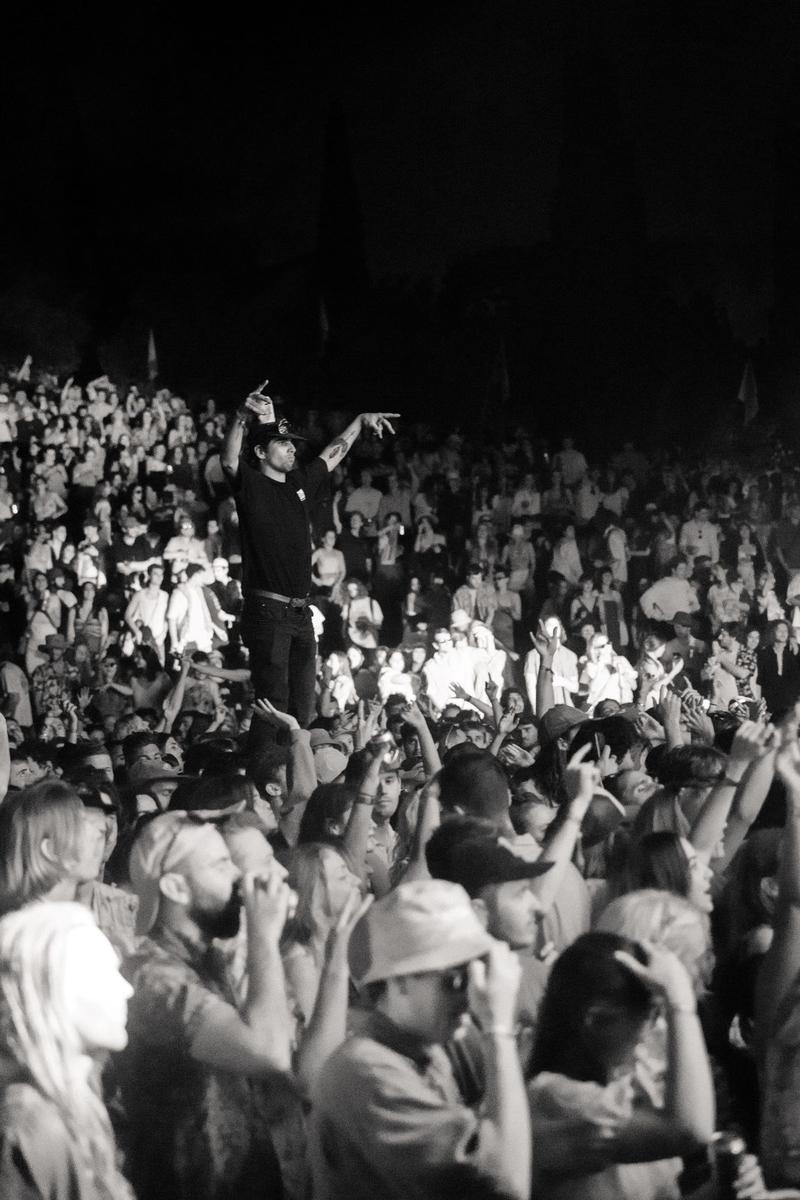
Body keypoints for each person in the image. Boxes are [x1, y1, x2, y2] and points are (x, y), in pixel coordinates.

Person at [307, 880, 531, 1200]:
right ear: (398, 981)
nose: (471, 995)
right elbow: (508, 1185)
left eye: (476, 973)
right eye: (455, 979)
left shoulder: (424, 1050)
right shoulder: (365, 1073)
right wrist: (499, 1031)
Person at [112, 811, 297, 1200]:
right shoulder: (154, 979)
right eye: (220, 864)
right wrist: (264, 936)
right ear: (176, 887)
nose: (238, 876)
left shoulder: (205, 957)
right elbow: (268, 1052)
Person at [221, 384, 398, 739]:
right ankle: (262, 774)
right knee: (274, 704)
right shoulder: (252, 485)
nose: (291, 449)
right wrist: (242, 416)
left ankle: (294, 771)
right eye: (283, 444)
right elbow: (229, 459)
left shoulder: (299, 483)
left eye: (292, 444)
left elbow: (332, 454)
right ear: (260, 450)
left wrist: (359, 422)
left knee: (303, 707)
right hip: (268, 611)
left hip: (302, 613)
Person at [528, 932, 715, 1200]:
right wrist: (680, 1004)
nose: (659, 1027)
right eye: (649, 1015)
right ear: (596, 1019)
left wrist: (717, 1189)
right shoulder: (554, 1102)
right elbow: (689, 1132)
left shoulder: (630, 1080)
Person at [0, 902, 135, 1199]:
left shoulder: (80, 1101)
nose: (127, 989)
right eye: (105, 973)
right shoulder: (30, 1126)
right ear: (52, 987)